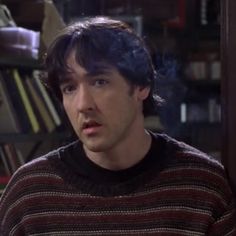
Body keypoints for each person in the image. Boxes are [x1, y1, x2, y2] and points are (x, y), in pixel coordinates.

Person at [0, 17, 235, 235]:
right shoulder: (29, 193)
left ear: (141, 86)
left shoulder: (204, 185)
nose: (83, 105)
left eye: (99, 82)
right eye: (69, 88)